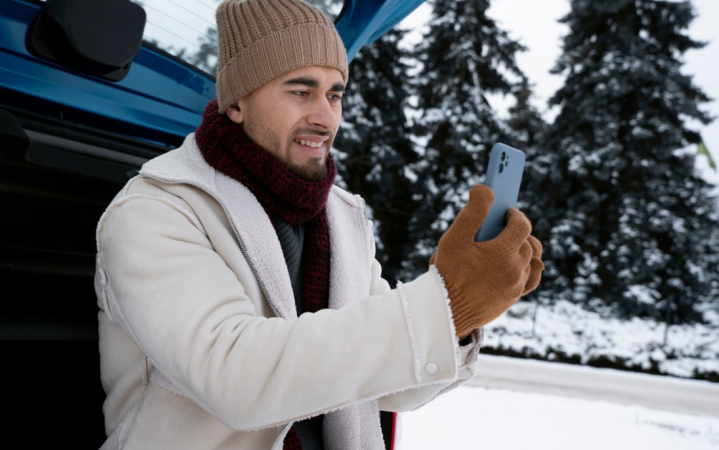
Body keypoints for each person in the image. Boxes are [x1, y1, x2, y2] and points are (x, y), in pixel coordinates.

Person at [93, 0, 544, 448]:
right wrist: (445, 302)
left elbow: (392, 385)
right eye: (300, 91)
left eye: (334, 94)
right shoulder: (157, 209)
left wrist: (461, 316)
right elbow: (235, 379)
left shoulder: (341, 218)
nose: (326, 118)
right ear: (236, 104)